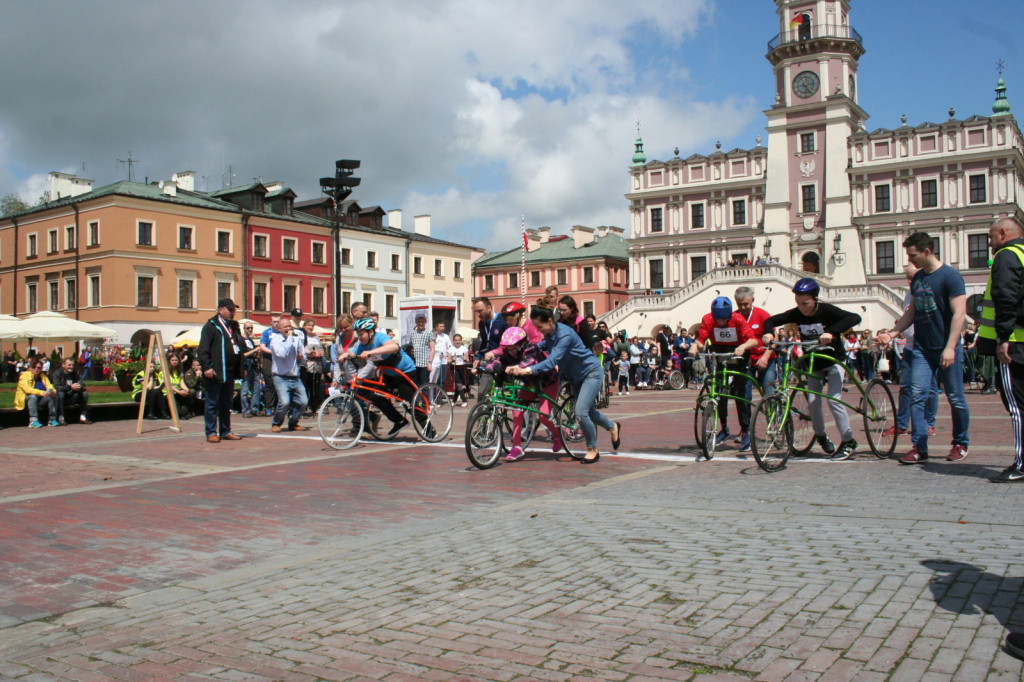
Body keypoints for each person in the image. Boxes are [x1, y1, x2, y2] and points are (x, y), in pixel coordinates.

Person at [882, 233, 970, 465]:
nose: (910, 260)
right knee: (917, 396)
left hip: (946, 346)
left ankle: (960, 442)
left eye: (913, 255)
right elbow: (911, 312)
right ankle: (919, 446)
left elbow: (959, 315)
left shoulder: (950, 277)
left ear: (927, 251)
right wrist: (892, 333)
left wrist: (950, 347)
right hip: (922, 348)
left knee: (955, 398)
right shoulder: (919, 278)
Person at [762, 278, 862, 460]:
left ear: (815, 299)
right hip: (813, 363)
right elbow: (771, 320)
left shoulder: (827, 311)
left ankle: (848, 441)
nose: (802, 308)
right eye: (798, 303)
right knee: (813, 401)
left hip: (833, 360)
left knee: (833, 399)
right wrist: (768, 333)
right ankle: (821, 436)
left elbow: (855, 317)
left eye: (805, 303)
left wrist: (831, 332)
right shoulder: (797, 313)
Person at [509, 306, 619, 463]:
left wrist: (528, 369)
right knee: (590, 413)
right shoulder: (550, 335)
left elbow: (552, 361)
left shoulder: (564, 335)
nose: (539, 332)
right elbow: (540, 346)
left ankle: (592, 449)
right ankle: (612, 427)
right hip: (574, 377)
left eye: (540, 327)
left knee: (581, 412)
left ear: (549, 321)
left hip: (590, 372)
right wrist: (521, 357)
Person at [976, 217, 1024, 483]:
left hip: (1014, 341)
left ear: (1003, 234)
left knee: (1017, 407)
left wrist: (1003, 337)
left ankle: (1022, 463)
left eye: (991, 237)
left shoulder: (1006, 256)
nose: (990, 243)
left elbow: (1006, 297)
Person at [483, 326, 562, 461]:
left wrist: (517, 367)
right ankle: (516, 447)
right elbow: (500, 361)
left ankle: (557, 435)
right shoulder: (508, 353)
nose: (511, 352)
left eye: (514, 348)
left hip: (548, 383)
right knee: (516, 410)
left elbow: (530, 361)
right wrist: (485, 368)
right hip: (531, 384)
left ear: (522, 344)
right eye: (508, 348)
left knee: (543, 415)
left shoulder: (532, 348)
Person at [691, 296, 758, 451]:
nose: (720, 323)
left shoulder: (738, 319)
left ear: (729, 315)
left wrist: (744, 346)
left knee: (742, 395)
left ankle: (746, 431)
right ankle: (724, 427)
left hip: (739, 354)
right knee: (719, 391)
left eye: (724, 319)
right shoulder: (708, 319)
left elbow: (753, 340)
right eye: (718, 319)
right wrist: (695, 347)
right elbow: (701, 340)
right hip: (719, 354)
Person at [339, 317, 421, 437]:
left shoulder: (380, 337)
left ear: (370, 332)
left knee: (408, 402)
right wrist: (346, 354)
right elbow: (354, 353)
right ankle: (399, 421)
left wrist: (372, 352)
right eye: (358, 334)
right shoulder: (363, 344)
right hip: (388, 374)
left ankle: (429, 429)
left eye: (361, 334)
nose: (359, 337)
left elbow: (393, 347)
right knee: (375, 396)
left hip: (405, 371)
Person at [887, 263, 939, 439]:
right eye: (907, 278)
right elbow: (907, 317)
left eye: (912, 277)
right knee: (906, 386)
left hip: (927, 347)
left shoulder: (931, 289)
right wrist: (892, 335)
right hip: (910, 346)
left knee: (930, 389)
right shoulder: (909, 293)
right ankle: (902, 424)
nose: (910, 281)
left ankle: (929, 423)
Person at [197, 298, 244, 443]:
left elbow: (239, 347)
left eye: (234, 310)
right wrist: (207, 367)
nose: (232, 313)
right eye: (230, 310)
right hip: (216, 371)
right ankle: (211, 431)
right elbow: (202, 350)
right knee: (212, 402)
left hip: (229, 371)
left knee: (226, 403)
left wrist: (242, 367)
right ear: (220, 310)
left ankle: (225, 430)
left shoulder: (234, 326)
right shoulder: (211, 326)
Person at [269, 317, 308, 433]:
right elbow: (282, 353)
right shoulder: (275, 340)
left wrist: (301, 358)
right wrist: (290, 338)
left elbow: (304, 357)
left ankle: (293, 422)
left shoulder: (297, 340)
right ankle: (276, 423)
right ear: (279, 328)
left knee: (304, 402)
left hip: (295, 376)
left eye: (289, 326)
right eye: (285, 327)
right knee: (284, 402)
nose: (288, 328)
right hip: (280, 376)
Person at [471, 297, 508, 404]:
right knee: (482, 392)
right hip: (489, 361)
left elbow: (508, 342)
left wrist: (495, 352)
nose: (478, 314)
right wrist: (478, 357)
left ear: (489, 307)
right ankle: (482, 415)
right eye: (476, 311)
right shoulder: (482, 324)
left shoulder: (502, 320)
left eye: (480, 311)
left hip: (504, 359)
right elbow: (484, 342)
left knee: (504, 395)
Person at [15, 358, 57, 427]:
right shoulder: (24, 376)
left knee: (52, 397)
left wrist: (52, 391)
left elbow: (50, 386)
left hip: (39, 400)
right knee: (32, 396)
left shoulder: (43, 376)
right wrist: (42, 392)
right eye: (34, 367)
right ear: (30, 367)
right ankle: (33, 421)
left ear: (41, 368)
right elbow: (27, 389)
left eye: (39, 367)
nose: (36, 369)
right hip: (25, 400)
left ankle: (52, 419)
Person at [52, 357, 92, 425]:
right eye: (69, 365)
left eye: (72, 365)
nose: (71, 367)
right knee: (60, 394)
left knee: (84, 393)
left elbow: (82, 384)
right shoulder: (57, 373)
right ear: (63, 365)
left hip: (73, 396)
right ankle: (61, 417)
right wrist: (70, 387)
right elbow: (57, 387)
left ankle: (83, 417)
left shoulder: (76, 372)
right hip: (62, 398)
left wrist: (79, 387)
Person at [258, 315, 281, 416]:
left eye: (278, 322)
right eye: (274, 322)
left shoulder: (282, 333)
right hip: (269, 360)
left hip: (280, 361)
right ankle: (268, 407)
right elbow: (262, 346)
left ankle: (278, 406)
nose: (276, 323)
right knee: (270, 383)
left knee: (279, 383)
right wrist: (272, 352)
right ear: (271, 322)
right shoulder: (267, 332)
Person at [240, 321, 263, 417]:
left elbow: (252, 354)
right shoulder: (241, 340)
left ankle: (254, 408)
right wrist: (254, 350)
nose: (250, 330)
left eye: (251, 328)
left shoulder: (251, 340)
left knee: (256, 387)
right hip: (246, 365)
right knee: (245, 388)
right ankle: (245, 410)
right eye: (248, 328)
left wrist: (257, 353)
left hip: (253, 365)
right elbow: (243, 355)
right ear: (244, 329)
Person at [403, 314, 433, 386]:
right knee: (414, 385)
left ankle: (425, 398)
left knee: (424, 386)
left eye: (422, 321)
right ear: (416, 322)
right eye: (419, 322)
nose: (421, 323)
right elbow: (408, 346)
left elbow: (433, 349)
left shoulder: (429, 333)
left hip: (424, 364)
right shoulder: (412, 333)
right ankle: (416, 397)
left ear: (425, 322)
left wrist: (430, 363)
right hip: (414, 364)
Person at [302, 318, 325, 414]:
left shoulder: (316, 337)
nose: (311, 327)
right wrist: (311, 353)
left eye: (312, 325)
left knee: (316, 387)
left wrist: (321, 352)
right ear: (304, 326)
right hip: (307, 365)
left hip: (317, 366)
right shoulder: (303, 337)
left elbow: (321, 348)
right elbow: (302, 350)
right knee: (306, 386)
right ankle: (305, 406)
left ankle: (314, 406)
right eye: (309, 325)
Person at [164, 352, 192, 419]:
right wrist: (179, 392)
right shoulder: (165, 371)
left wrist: (186, 389)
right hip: (168, 392)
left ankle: (186, 412)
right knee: (178, 413)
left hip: (178, 391)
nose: (174, 362)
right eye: (172, 360)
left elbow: (181, 382)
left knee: (189, 394)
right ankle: (181, 413)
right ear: (169, 361)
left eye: (176, 360)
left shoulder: (179, 371)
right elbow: (167, 384)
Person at [428, 320, 452, 389]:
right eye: (441, 326)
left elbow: (450, 348)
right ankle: (431, 396)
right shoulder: (432, 335)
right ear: (436, 327)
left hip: (443, 361)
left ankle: (439, 397)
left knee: (441, 380)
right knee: (433, 379)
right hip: (434, 361)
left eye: (443, 326)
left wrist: (449, 356)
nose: (442, 328)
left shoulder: (446, 336)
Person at [450, 333, 471, 406]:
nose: (457, 341)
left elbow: (468, 359)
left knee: (460, 385)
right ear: (453, 341)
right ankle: (464, 401)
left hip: (462, 367)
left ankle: (453, 400)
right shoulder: (451, 348)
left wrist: (465, 358)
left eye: (459, 340)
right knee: (459, 384)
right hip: (454, 367)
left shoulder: (464, 348)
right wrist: (452, 359)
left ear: (461, 341)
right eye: (455, 340)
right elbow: (448, 360)